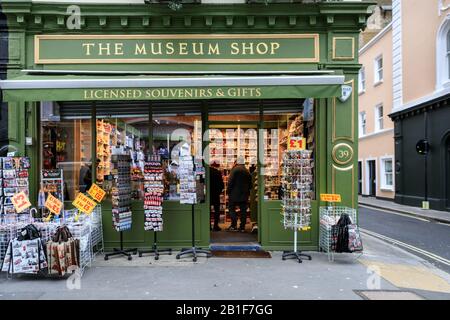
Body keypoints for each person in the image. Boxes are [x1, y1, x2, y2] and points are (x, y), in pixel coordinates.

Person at [227, 156, 252, 232]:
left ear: (237, 162)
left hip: (234, 194)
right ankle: (242, 227)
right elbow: (250, 184)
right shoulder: (246, 171)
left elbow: (230, 182)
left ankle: (234, 225)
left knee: (231, 209)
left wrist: (228, 191)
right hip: (244, 194)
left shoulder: (234, 170)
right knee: (243, 211)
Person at [210, 161, 224, 231]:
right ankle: (215, 225)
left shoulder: (207, 172)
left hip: (208, 194)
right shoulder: (217, 172)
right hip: (215, 194)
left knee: (208, 210)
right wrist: (219, 192)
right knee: (217, 210)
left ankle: (208, 225)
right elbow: (221, 184)